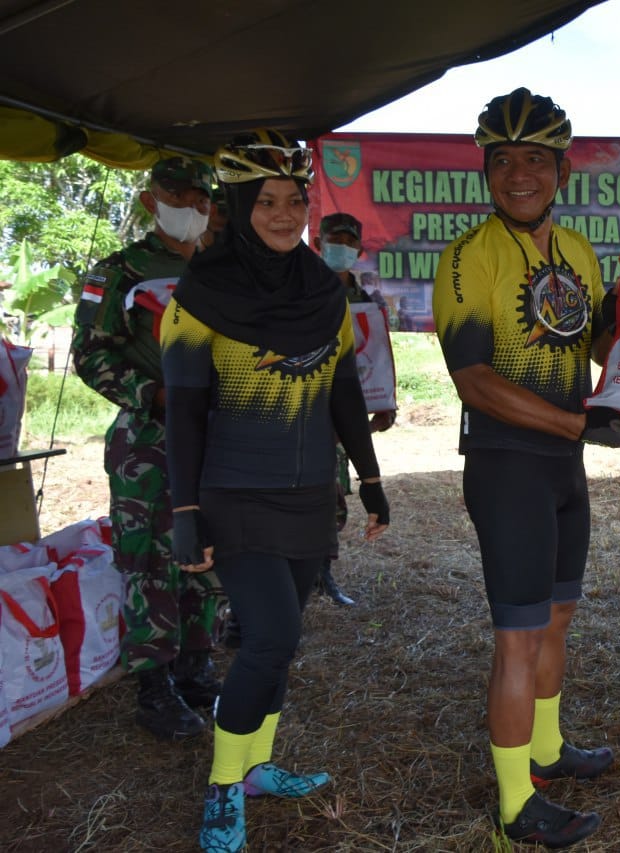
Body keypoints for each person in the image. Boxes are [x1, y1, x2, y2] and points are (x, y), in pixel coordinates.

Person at [159, 129, 390, 853]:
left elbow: (344, 389)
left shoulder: (323, 289)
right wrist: (185, 512)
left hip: (308, 494)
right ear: (237, 205)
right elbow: (183, 412)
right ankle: (224, 788)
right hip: (234, 492)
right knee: (270, 637)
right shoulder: (199, 296)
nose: (285, 215)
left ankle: (256, 768)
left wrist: (371, 479)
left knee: (280, 647)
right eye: (266, 202)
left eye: (295, 200)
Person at [433, 87, 620, 849]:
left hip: (563, 464)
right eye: (502, 160)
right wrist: (578, 423)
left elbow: (595, 343)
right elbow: (474, 379)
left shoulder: (578, 251)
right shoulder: (468, 256)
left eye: (534, 159)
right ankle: (516, 803)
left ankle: (547, 750)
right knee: (518, 637)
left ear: (562, 170)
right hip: (508, 466)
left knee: (558, 617)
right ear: (485, 171)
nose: (517, 174)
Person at [71, 155, 221, 740]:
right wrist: (152, 395)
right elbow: (91, 355)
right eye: (177, 196)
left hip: (217, 439)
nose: (190, 207)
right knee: (151, 561)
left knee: (208, 554)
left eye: (199, 198)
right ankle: (153, 687)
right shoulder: (120, 272)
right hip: (149, 442)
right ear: (149, 201)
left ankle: (196, 667)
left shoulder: (221, 270)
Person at [316, 211, 396, 605]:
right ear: (319, 243)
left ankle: (322, 573)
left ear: (360, 249)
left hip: (345, 413)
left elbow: (376, 355)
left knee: (333, 501)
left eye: (350, 242)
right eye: (335, 240)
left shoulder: (365, 302)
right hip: (306, 412)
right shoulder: (303, 290)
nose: (342, 248)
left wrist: (384, 403)